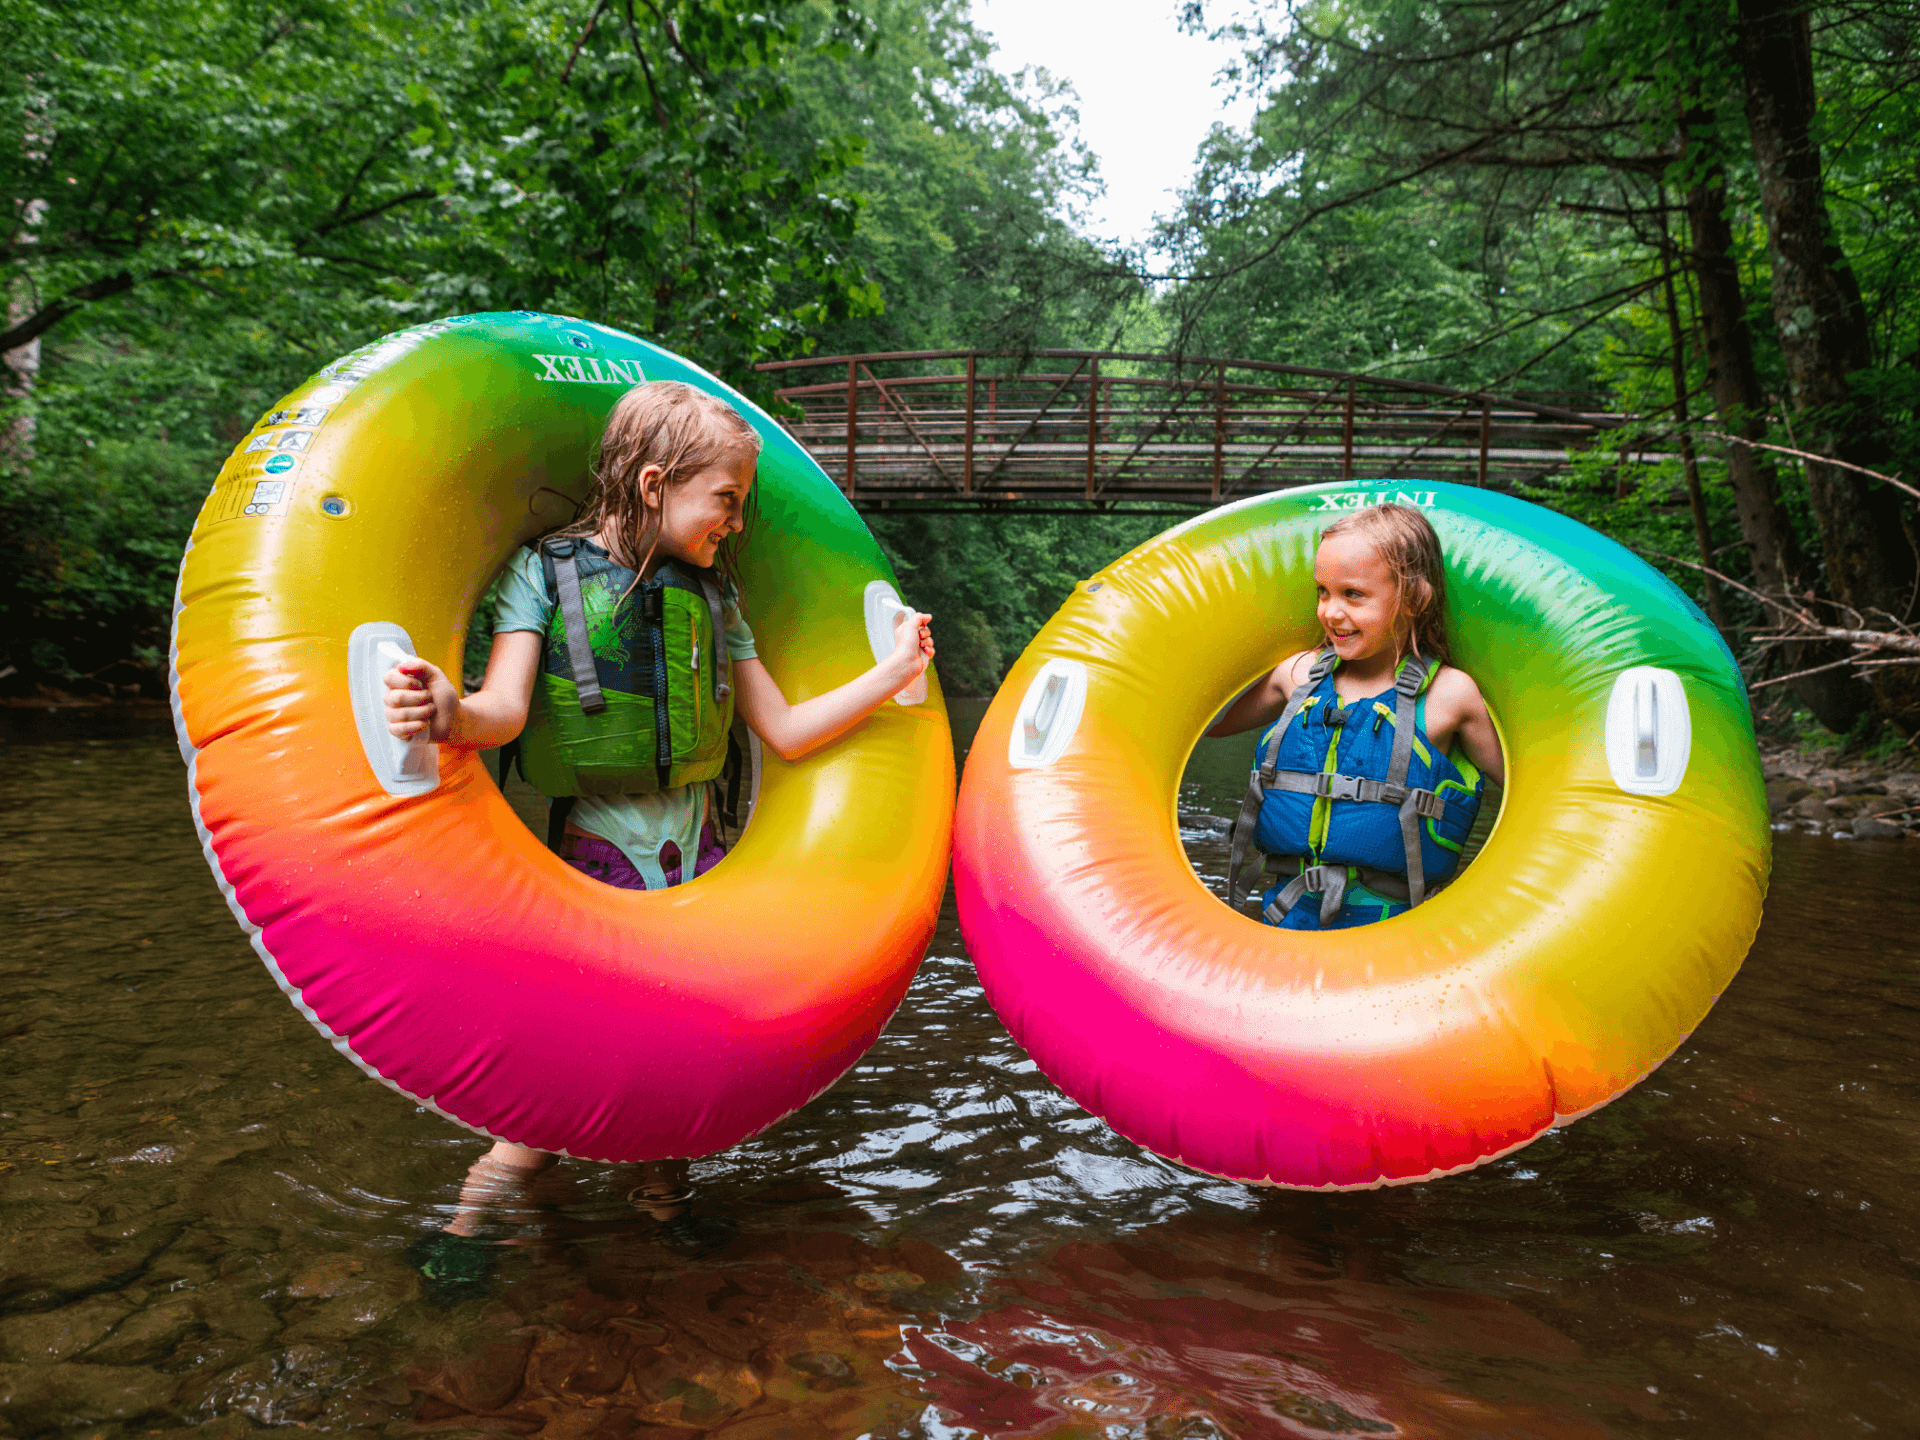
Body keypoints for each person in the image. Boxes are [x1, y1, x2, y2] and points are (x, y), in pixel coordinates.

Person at [380, 380, 934, 1222]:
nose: (737, 522)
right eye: (726, 500)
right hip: (594, 862)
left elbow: (782, 730)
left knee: (679, 1086)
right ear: (654, 484)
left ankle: (662, 1223)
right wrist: (448, 713)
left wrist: (893, 673)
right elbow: (506, 711)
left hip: (702, 864)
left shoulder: (717, 596)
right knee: (536, 1122)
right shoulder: (543, 574)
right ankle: (470, 1229)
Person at [1210, 503, 1505, 929]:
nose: (1330, 611)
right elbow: (1203, 725)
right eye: (1323, 592)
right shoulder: (1297, 676)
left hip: (1393, 931)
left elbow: (1532, 796)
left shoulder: (1448, 696)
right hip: (1286, 924)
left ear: (1415, 598)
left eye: (1353, 595)